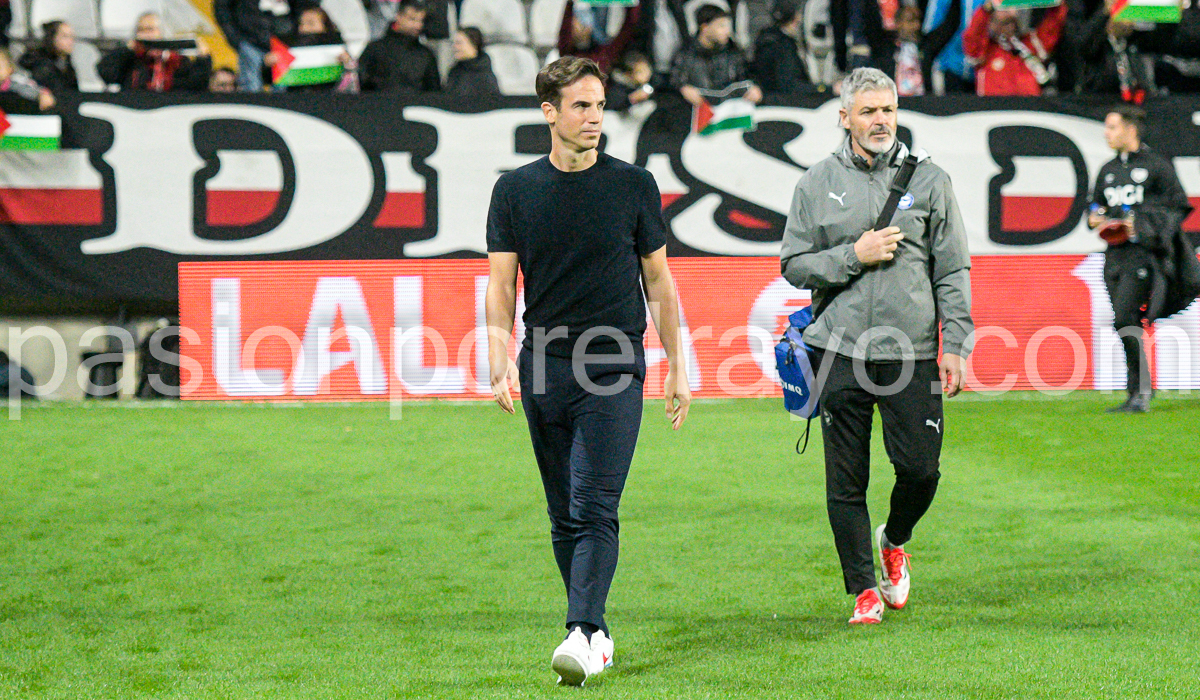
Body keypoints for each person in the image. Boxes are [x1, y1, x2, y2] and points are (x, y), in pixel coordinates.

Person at [485, 56, 691, 686]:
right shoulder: (514, 190)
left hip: (614, 363)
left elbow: (658, 281)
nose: (595, 117)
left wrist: (678, 363)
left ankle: (580, 629)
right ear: (549, 112)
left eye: (599, 105)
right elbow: (501, 286)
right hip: (543, 363)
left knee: (594, 502)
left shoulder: (634, 185)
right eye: (581, 105)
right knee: (562, 514)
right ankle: (595, 634)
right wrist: (498, 356)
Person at [780, 67, 973, 624]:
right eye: (868, 111)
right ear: (845, 118)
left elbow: (953, 268)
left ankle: (895, 539)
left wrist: (957, 343)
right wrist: (853, 255)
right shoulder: (815, 182)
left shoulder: (930, 180)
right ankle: (863, 589)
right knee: (845, 479)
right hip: (839, 348)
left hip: (911, 350)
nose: (881, 120)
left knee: (921, 470)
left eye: (888, 109)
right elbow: (793, 264)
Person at [1087, 106, 1192, 413]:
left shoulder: (1157, 166)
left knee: (1124, 318)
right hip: (1114, 256)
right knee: (1126, 322)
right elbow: (1095, 205)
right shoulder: (1108, 169)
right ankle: (1139, 391)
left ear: (1130, 129)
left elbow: (1178, 206)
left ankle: (1141, 390)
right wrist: (1095, 216)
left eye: (1112, 127)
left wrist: (1147, 229)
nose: (1106, 133)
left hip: (1143, 256)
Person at [961, 0, 1066, 95]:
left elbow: (1053, 25)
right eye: (1003, 24)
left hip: (1029, 107)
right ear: (990, 24)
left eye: (1011, 23)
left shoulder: (1031, 43)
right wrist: (986, 9)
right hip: (994, 107)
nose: (1007, 27)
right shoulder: (984, 51)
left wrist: (1056, 4)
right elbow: (972, 37)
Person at [670, 4, 762, 106]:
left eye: (728, 26)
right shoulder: (685, 55)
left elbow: (747, 77)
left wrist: (754, 89)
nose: (727, 31)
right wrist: (683, 89)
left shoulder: (733, 52)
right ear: (705, 27)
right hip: (697, 111)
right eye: (721, 26)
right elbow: (675, 81)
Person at [214, 0, 315, 92]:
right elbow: (222, 7)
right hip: (250, 41)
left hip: (284, 42)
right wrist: (237, 40)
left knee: (284, 91)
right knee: (251, 90)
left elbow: (306, 6)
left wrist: (296, 37)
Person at [97, 13, 212, 92]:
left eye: (150, 29)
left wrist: (203, 59)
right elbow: (106, 73)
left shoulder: (177, 60)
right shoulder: (132, 59)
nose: (145, 34)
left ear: (161, 32)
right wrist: (127, 50)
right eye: (141, 30)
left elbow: (197, 84)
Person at [357, 0, 441, 94]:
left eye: (421, 21)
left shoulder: (426, 55)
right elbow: (362, 84)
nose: (418, 25)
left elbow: (434, 92)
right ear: (399, 17)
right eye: (412, 19)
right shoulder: (375, 50)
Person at [265, 6, 353, 92]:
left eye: (311, 23)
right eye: (301, 24)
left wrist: (347, 63)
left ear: (325, 27)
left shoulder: (338, 47)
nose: (304, 28)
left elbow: (353, 81)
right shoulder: (287, 47)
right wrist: (269, 66)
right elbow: (271, 81)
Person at [751, 0, 820, 95]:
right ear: (795, 20)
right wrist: (824, 89)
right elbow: (790, 86)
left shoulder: (764, 38)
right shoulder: (784, 46)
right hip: (782, 99)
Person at [18, 21, 79, 96]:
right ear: (52, 37)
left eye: (72, 36)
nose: (71, 41)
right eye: (65, 36)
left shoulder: (66, 63)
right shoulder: (39, 63)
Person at [445, 26, 500, 101]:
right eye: (453, 43)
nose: (454, 47)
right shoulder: (455, 71)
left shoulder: (484, 75)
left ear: (473, 44)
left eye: (459, 43)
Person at [0, 48, 55, 113]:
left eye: (0, 67)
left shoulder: (16, 81)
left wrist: (41, 94)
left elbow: (31, 88)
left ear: (10, 69)